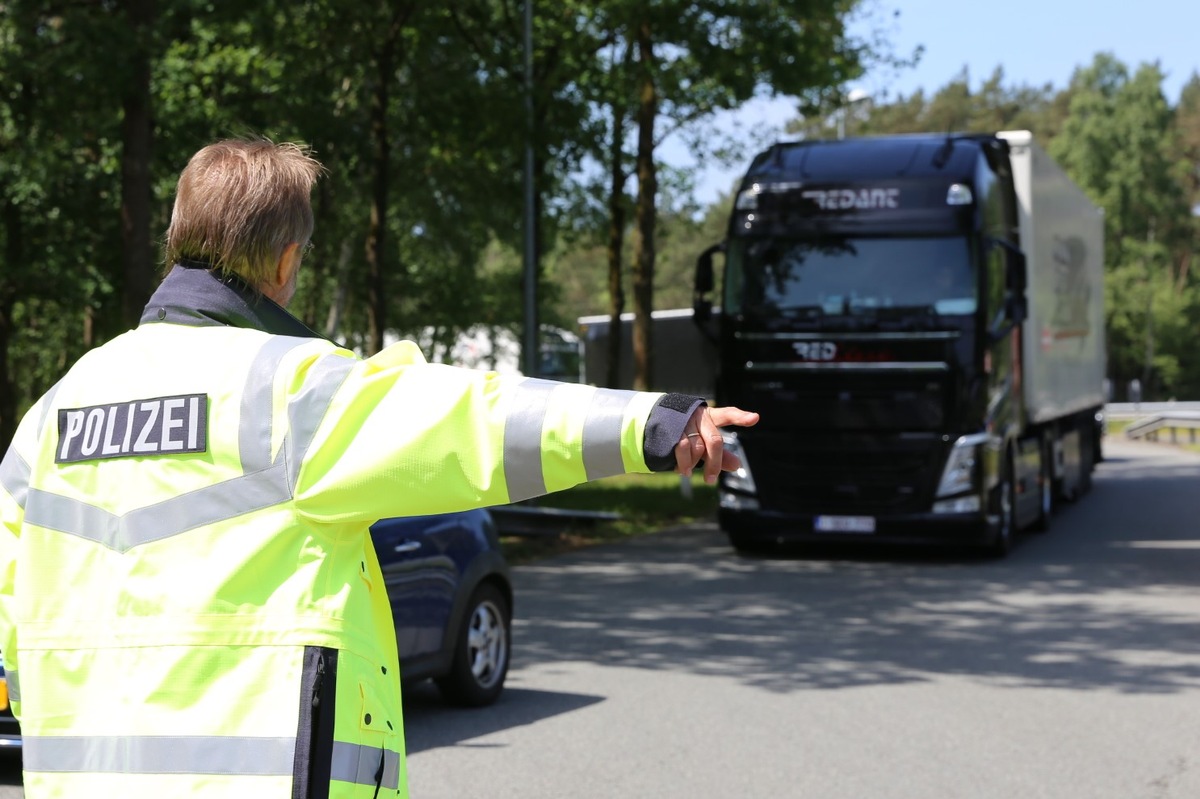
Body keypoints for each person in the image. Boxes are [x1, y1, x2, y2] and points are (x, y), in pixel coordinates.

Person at [0, 137, 758, 798]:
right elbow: (475, 422)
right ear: (287, 260)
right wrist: (651, 423)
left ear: (176, 237)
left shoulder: (53, 413)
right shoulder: (290, 390)